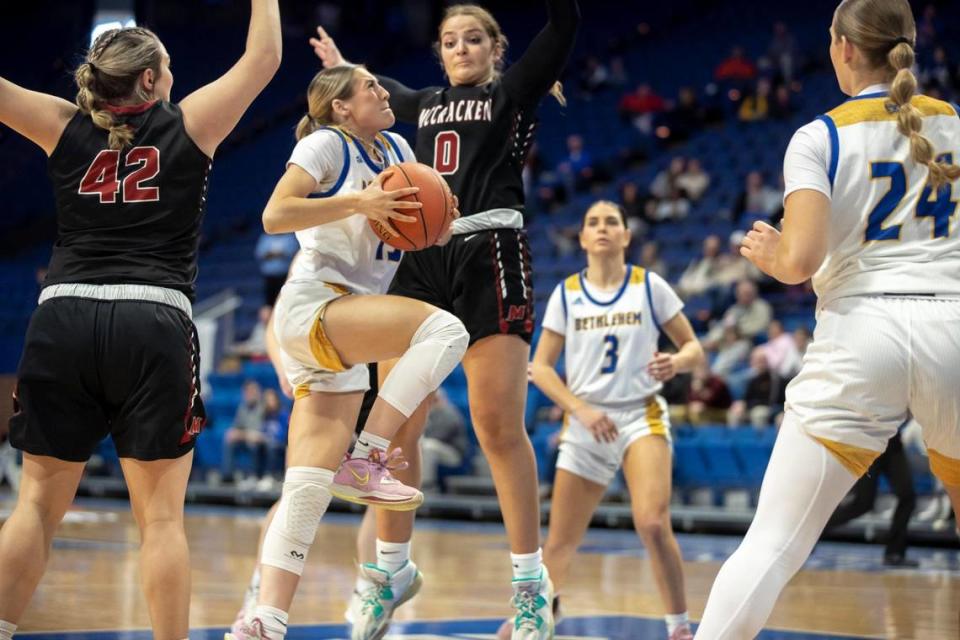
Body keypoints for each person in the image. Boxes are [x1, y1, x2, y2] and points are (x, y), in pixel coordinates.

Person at [0, 4, 281, 637]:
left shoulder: (60, 123)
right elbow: (263, 58)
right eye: (171, 69)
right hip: (152, 317)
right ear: (150, 80)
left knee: (36, 508)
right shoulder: (187, 125)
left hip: (64, 314)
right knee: (160, 521)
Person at [309, 3, 579, 638]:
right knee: (397, 421)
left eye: (474, 39)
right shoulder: (424, 101)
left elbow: (562, 29)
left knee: (497, 427)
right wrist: (342, 66)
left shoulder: (511, 93)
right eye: (451, 41)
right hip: (422, 259)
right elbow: (386, 91)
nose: (461, 48)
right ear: (440, 52)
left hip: (491, 255)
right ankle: (391, 572)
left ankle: (529, 587)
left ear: (495, 47)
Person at [695, 1, 960, 636]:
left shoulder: (820, 135)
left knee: (773, 545)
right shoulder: (952, 123)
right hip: (952, 326)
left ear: (841, 47)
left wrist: (768, 252)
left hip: (861, 333)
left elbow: (800, 260)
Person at [227, 64, 469, 639]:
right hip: (317, 302)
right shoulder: (325, 144)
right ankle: (370, 457)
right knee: (445, 333)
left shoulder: (399, 147)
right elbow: (274, 214)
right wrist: (357, 204)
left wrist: (440, 225)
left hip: (346, 320)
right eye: (370, 87)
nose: (385, 90)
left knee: (306, 485)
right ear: (340, 106)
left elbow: (406, 232)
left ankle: (263, 620)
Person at [525, 201, 704, 640]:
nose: (602, 228)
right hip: (587, 419)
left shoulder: (649, 286)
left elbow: (695, 349)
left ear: (626, 236)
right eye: (593, 223)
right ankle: (538, 613)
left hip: (639, 413)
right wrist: (580, 410)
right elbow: (540, 368)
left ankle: (679, 626)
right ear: (583, 238)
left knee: (652, 522)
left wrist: (677, 362)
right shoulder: (567, 294)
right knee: (560, 541)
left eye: (611, 222)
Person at [824, 430, 918, 567]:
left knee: (907, 497)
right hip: (868, 443)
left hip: (892, 443)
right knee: (863, 503)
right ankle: (814, 531)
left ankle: (894, 553)